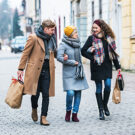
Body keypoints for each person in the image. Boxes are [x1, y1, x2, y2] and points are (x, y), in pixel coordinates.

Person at [17, 19, 57, 126]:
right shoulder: (33, 38)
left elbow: (54, 52)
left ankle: (43, 117)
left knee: (46, 94)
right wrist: (20, 69)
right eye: (52, 30)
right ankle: (34, 108)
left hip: (47, 70)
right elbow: (25, 53)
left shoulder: (52, 39)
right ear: (46, 29)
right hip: (35, 71)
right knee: (35, 94)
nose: (53, 32)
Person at [81, 19, 121, 120]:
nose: (94, 30)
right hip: (96, 67)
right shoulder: (91, 39)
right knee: (99, 88)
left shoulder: (109, 39)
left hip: (107, 66)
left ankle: (105, 105)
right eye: (93, 28)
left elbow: (114, 55)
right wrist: (92, 57)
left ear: (102, 28)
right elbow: (83, 51)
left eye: (96, 28)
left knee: (107, 86)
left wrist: (118, 67)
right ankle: (101, 110)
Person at [57, 26, 89, 122]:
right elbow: (59, 57)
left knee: (78, 92)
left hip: (78, 71)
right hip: (68, 72)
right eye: (75, 33)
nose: (77, 34)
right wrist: (70, 61)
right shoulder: (63, 44)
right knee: (70, 93)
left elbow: (80, 55)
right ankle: (68, 112)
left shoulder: (77, 43)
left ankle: (75, 114)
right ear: (70, 34)